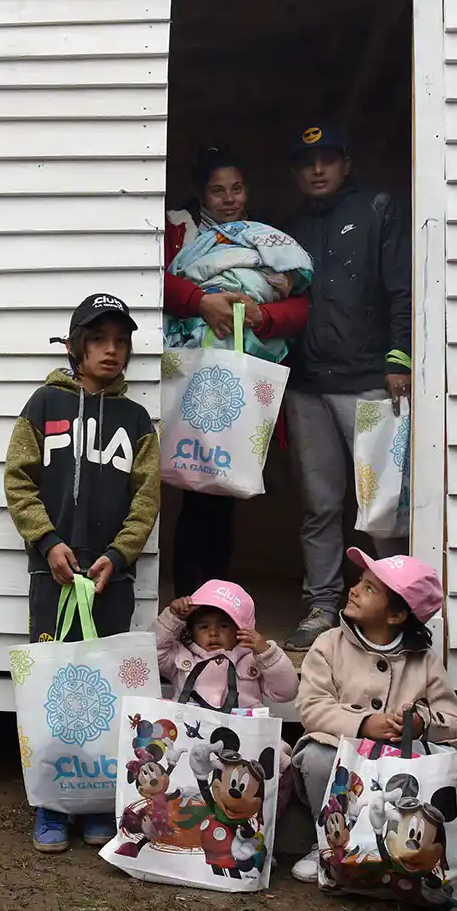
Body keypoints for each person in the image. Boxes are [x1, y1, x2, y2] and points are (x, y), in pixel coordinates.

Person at [3, 292, 161, 854]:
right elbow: (18, 480)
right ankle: (49, 804)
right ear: (74, 347)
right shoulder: (43, 406)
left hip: (108, 580)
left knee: (105, 689)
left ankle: (96, 804)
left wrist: (119, 555)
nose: (112, 351)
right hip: (55, 577)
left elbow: (146, 499)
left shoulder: (136, 420)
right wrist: (46, 542)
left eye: (121, 342)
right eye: (99, 341)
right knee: (53, 690)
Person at [280, 125, 413, 652]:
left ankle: (392, 610)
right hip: (307, 385)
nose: (318, 169)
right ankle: (322, 607)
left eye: (327, 159)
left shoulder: (379, 208)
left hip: (368, 381)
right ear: (296, 172)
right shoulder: (287, 231)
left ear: (345, 163)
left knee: (381, 507)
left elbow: (403, 286)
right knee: (319, 505)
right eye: (307, 161)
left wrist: (399, 358)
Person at [163, 149, 311, 596]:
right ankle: (192, 601)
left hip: (242, 373)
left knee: (222, 492)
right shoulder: (178, 231)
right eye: (217, 190)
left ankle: (214, 605)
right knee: (195, 489)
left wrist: (264, 318)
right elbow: (149, 276)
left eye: (237, 189)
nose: (229, 199)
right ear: (201, 194)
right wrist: (199, 301)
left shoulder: (267, 241)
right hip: (191, 370)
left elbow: (301, 305)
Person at [284, 548, 457, 883]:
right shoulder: (328, 645)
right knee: (315, 756)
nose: (354, 589)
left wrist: (421, 723)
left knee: (453, 763)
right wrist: (362, 724)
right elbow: (312, 706)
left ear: (397, 616)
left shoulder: (424, 660)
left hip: (402, 762)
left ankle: (418, 847)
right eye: (359, 581)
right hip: (348, 756)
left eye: (370, 588)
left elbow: (454, 720)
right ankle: (328, 840)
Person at [153, 578, 300, 713]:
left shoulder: (253, 659)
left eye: (223, 626)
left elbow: (287, 692)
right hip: (190, 733)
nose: (213, 633)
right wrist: (172, 618)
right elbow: (152, 655)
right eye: (203, 627)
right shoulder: (182, 655)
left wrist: (268, 654)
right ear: (191, 630)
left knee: (277, 743)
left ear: (240, 629)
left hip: (244, 735)